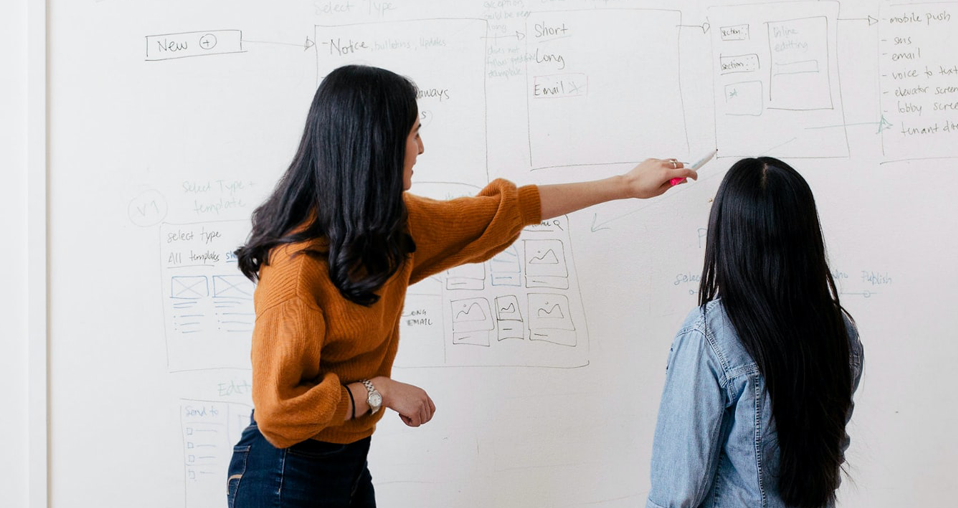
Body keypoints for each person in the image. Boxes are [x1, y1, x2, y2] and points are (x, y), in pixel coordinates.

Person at [225, 64, 699, 507]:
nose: (422, 148)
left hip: (347, 464)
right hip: (283, 476)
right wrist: (379, 390)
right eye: (414, 134)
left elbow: (504, 211)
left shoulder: (387, 228)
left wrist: (626, 184)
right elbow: (279, 412)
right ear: (377, 146)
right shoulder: (295, 271)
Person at [647, 157, 864, 508]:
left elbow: (676, 492)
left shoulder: (710, 335)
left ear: (728, 233)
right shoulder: (840, 331)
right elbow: (829, 461)